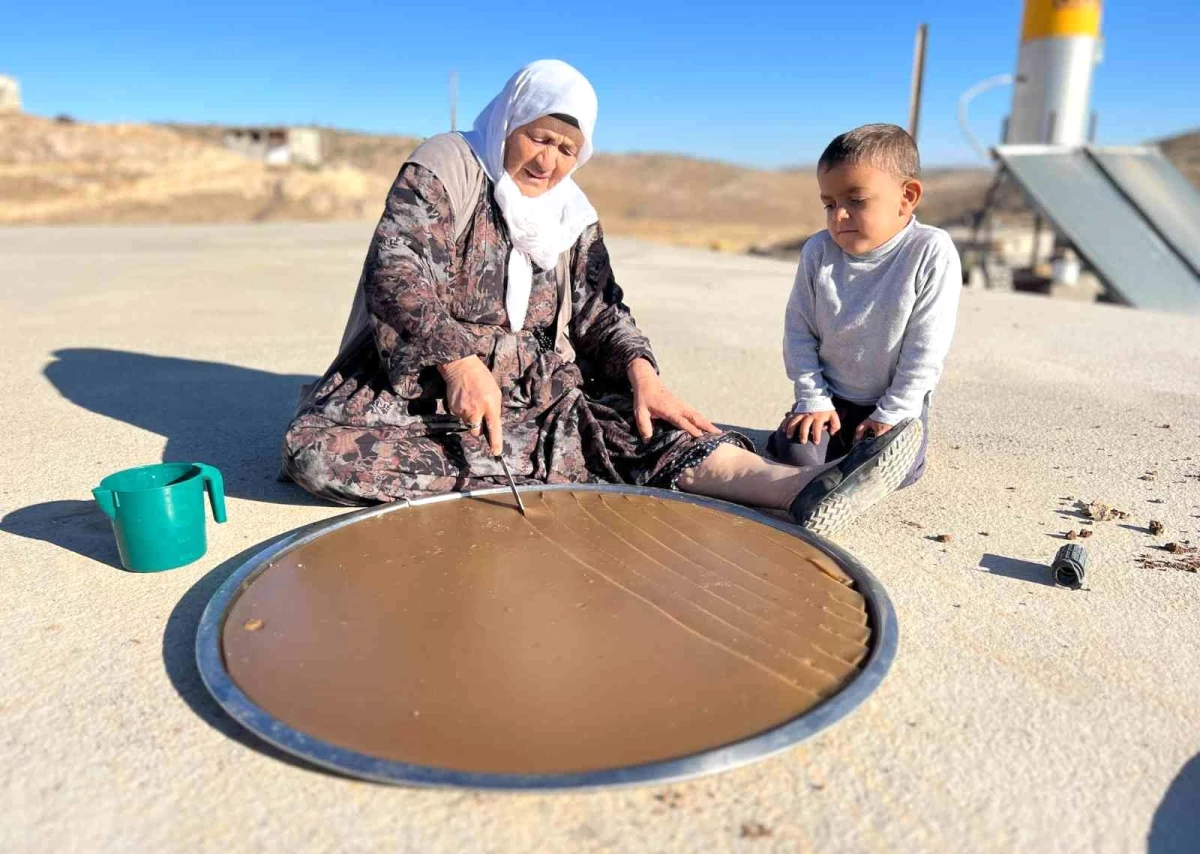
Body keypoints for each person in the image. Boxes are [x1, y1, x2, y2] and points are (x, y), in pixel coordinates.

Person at [281, 61, 905, 525]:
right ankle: (571, 460)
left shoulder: (571, 214)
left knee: (646, 422)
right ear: (509, 120)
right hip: (419, 389)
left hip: (536, 397)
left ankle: (802, 487)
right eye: (539, 137)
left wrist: (640, 371)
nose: (549, 161)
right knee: (318, 457)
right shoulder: (448, 163)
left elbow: (601, 308)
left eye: (567, 149)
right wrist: (457, 360)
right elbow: (397, 271)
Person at [766, 123, 962, 533]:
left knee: (900, 468)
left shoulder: (930, 251)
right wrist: (811, 399)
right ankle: (831, 477)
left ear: (906, 198)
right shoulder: (818, 251)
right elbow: (799, 332)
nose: (839, 215)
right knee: (797, 457)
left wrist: (894, 411)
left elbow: (926, 349)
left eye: (855, 201)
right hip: (831, 399)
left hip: (892, 402)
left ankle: (850, 474)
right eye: (829, 203)